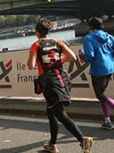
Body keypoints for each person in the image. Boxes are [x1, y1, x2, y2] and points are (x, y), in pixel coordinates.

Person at [27, 18, 93, 153]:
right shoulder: (57, 42)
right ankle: (52, 144)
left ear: (37, 32)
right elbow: (73, 57)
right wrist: (57, 60)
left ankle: (82, 139)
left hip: (49, 82)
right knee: (51, 112)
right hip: (62, 78)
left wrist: (43, 62)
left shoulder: (36, 45)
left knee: (60, 114)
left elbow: (30, 65)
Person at [79, 17, 114, 130]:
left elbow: (89, 56)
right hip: (109, 68)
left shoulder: (88, 38)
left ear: (90, 27)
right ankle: (107, 121)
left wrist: (82, 56)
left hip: (98, 70)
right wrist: (109, 58)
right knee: (102, 95)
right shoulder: (108, 36)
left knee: (100, 95)